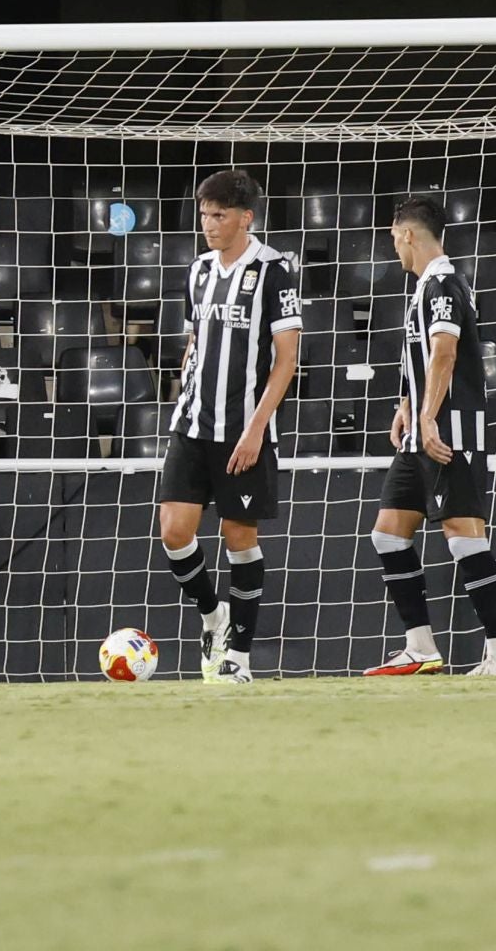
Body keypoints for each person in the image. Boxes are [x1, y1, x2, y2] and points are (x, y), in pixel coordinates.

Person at [365, 196, 496, 677]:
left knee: (462, 537)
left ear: (408, 234)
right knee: (389, 534)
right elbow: (423, 359)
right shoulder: (425, 288)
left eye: (393, 237)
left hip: (450, 432)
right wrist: (407, 406)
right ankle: (420, 648)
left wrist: (428, 416)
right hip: (422, 431)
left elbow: (445, 354)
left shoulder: (443, 284)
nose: (393, 246)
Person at [157, 170, 301, 684]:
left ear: (246, 217)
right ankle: (212, 614)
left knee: (239, 536)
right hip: (192, 425)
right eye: (203, 214)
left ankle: (238, 654)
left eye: (219, 215)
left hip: (245, 431)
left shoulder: (273, 271)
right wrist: (186, 378)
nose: (209, 224)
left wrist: (257, 428)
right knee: (174, 531)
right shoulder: (198, 271)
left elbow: (287, 359)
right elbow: (195, 338)